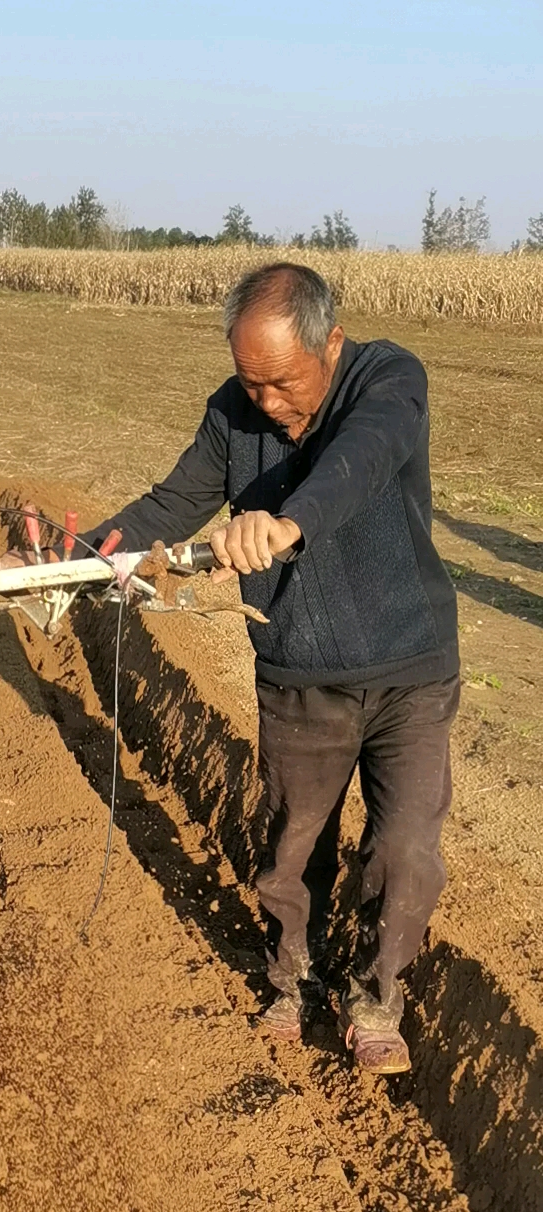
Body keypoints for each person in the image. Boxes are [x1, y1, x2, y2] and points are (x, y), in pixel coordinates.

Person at [46, 262, 458, 1073]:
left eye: (280, 382)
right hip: (300, 672)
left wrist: (285, 523)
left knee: (405, 848)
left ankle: (376, 995)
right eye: (249, 382)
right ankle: (291, 977)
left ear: (329, 342)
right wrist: (79, 557)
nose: (265, 402)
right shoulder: (230, 415)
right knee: (293, 848)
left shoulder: (388, 380)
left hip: (410, 666)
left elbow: (362, 461)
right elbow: (170, 506)